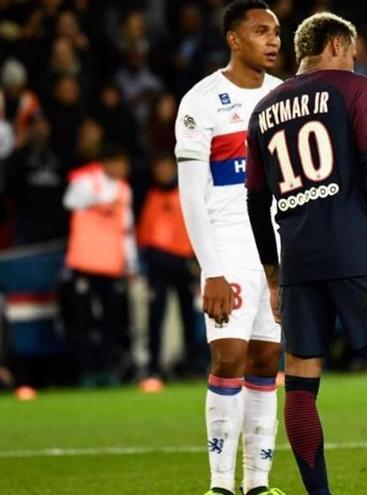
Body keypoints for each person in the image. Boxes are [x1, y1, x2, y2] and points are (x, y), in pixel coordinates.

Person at [246, 13, 367, 495]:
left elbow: (255, 201)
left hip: (298, 260)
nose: (356, 59)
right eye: (352, 49)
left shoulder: (263, 109)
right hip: (351, 248)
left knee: (302, 383)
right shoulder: (351, 88)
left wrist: (272, 275)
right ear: (335, 44)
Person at [173, 2, 284, 494]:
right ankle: (220, 485)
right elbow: (191, 197)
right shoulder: (201, 101)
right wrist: (211, 269)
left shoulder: (285, 98)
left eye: (277, 32)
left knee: (266, 362)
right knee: (229, 359)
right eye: (261, 31)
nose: (274, 40)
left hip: (278, 250)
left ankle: (257, 484)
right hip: (229, 245)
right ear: (233, 39)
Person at [62, 144, 137, 386]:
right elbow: (70, 202)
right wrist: (99, 195)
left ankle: (107, 370)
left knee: (111, 322)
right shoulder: (85, 182)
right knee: (83, 321)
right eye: (118, 163)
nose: (122, 168)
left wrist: (131, 264)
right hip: (84, 263)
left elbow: (127, 230)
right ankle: (86, 371)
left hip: (112, 266)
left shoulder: (124, 190)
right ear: (105, 163)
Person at [137, 155, 201, 387]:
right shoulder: (146, 194)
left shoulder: (186, 191)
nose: (163, 171)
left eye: (167, 167)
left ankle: (192, 364)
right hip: (157, 262)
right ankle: (153, 366)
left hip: (183, 261)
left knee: (188, 315)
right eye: (159, 167)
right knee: (156, 316)